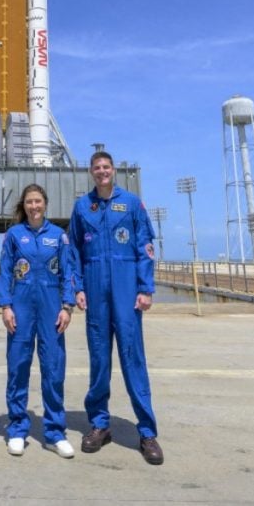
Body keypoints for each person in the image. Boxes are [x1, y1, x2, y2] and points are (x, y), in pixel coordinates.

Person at [68, 151, 164, 465]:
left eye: (106, 167)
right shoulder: (82, 207)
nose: (102, 171)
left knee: (133, 358)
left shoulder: (132, 204)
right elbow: (75, 253)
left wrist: (145, 288)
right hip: (95, 290)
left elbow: (145, 247)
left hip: (126, 289)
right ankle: (99, 424)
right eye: (96, 168)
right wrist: (78, 288)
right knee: (98, 359)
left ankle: (147, 432)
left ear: (113, 170)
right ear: (91, 172)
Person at [0, 184, 77, 458]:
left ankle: (55, 432)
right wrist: (5, 306)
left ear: (45, 204)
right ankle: (17, 428)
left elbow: (68, 273)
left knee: (53, 368)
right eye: (29, 202)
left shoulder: (59, 236)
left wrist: (67, 307)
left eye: (38, 201)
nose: (34, 206)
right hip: (20, 305)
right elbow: (5, 271)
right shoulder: (14, 235)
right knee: (18, 366)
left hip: (51, 306)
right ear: (24, 205)